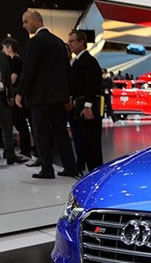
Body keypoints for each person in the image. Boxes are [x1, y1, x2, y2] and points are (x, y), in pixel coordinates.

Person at [15, 10, 77, 179]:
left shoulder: (35, 42)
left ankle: (47, 169)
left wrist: (20, 92)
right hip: (58, 98)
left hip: (40, 99)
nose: (24, 26)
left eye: (26, 22)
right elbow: (67, 71)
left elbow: (29, 69)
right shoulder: (59, 42)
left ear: (37, 21)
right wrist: (68, 95)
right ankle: (71, 168)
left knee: (41, 133)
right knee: (61, 133)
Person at [68, 29, 103, 173]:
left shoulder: (88, 61)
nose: (70, 44)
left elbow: (92, 85)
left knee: (92, 143)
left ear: (81, 42)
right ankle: (90, 172)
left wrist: (88, 106)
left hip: (88, 105)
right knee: (84, 142)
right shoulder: (78, 61)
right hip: (80, 104)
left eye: (72, 41)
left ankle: (96, 173)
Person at [2, 37, 32, 160]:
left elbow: (13, 79)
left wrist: (4, 80)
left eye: (4, 48)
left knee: (21, 124)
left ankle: (25, 150)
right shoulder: (15, 60)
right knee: (19, 124)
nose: (3, 51)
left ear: (9, 47)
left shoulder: (16, 60)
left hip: (18, 96)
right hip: (18, 95)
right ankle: (24, 150)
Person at [0, 50, 26, 165]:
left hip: (2, 96)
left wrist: (11, 95)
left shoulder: (3, 57)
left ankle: (10, 154)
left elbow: (7, 78)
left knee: (7, 125)